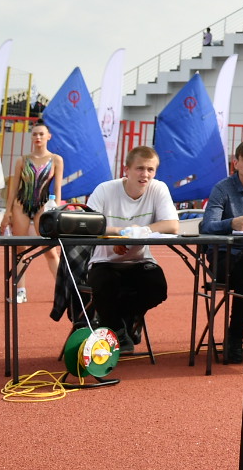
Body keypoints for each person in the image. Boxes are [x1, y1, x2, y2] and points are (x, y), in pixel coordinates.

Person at [85, 146, 179, 354]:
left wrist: (140, 231)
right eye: (139, 168)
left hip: (139, 261)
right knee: (105, 284)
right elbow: (88, 226)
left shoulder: (158, 188)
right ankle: (118, 331)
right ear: (126, 169)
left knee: (157, 287)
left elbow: (172, 225)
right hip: (104, 262)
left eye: (150, 170)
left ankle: (123, 320)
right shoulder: (105, 189)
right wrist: (118, 234)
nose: (145, 175)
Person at [201, 139, 243, 364]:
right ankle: (239, 337)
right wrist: (232, 223)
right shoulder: (222, 188)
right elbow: (206, 226)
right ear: (236, 163)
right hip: (224, 256)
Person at [4, 121, 64, 303]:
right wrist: (8, 212)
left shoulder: (56, 159)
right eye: (35, 134)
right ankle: (20, 290)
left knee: (51, 250)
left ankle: (63, 290)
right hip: (21, 204)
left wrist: (57, 211)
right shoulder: (22, 160)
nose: (37, 137)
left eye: (41, 134)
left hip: (44, 205)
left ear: (48, 136)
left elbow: (58, 188)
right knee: (20, 249)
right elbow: (13, 188)